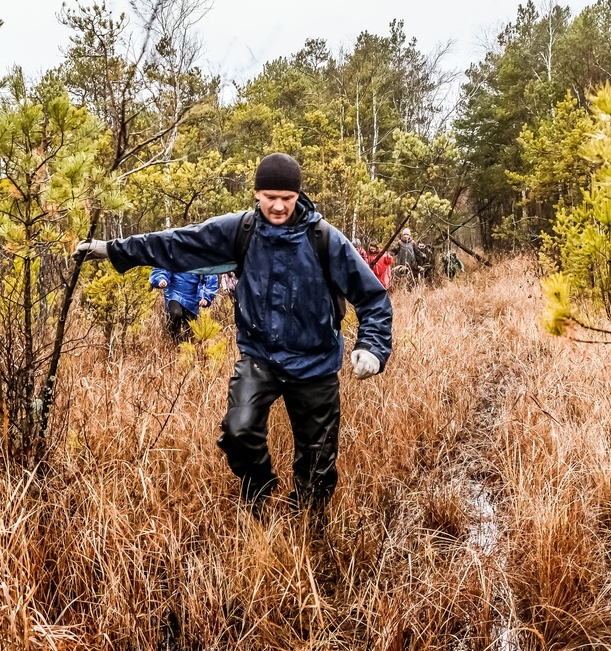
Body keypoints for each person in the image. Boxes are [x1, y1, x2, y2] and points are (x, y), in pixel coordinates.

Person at [77, 153, 393, 525]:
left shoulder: (325, 238)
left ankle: (308, 521)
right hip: (259, 357)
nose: (278, 205)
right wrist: (114, 249)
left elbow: (372, 297)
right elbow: (177, 243)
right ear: (257, 193)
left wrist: (371, 346)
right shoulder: (240, 231)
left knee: (318, 458)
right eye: (270, 196)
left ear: (298, 196)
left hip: (315, 363)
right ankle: (258, 495)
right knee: (238, 431)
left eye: (286, 198)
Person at [151, 268, 218, 343]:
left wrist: (206, 296)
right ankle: (174, 342)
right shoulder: (174, 255)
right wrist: (161, 279)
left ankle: (187, 348)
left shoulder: (201, 257)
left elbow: (210, 275)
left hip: (193, 297)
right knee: (175, 313)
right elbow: (164, 264)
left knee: (190, 328)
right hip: (174, 292)